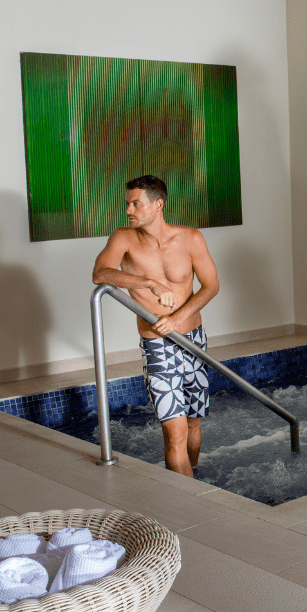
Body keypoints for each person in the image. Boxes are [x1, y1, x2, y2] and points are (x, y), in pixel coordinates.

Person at [92, 175, 220, 477]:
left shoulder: (190, 238)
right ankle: (188, 502)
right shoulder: (123, 238)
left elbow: (211, 286)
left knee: (193, 422)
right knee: (173, 432)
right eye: (127, 204)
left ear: (158, 204)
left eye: (136, 203)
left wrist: (176, 318)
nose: (128, 210)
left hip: (193, 340)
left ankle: (196, 483)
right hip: (158, 347)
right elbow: (100, 274)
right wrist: (147, 282)